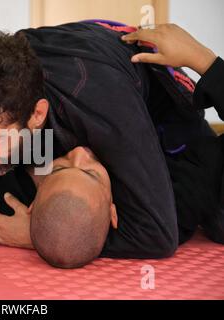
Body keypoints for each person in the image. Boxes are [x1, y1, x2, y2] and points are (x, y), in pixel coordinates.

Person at [0, 22, 205, 258]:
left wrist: (37, 235)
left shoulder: (103, 106)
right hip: (45, 128)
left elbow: (156, 236)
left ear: (36, 115)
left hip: (161, 126)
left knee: (204, 212)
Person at [28, 25, 224, 268]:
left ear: (33, 203)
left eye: (58, 169)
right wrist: (202, 59)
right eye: (90, 173)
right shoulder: (178, 202)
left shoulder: (49, 190)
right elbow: (155, 236)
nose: (79, 153)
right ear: (114, 214)